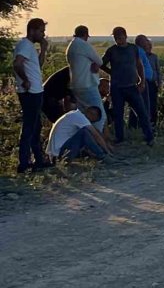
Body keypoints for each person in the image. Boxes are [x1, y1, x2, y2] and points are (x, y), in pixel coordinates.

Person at [101, 26, 153, 146]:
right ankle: (120, 139)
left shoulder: (133, 49)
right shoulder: (111, 50)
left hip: (131, 86)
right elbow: (101, 64)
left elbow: (139, 66)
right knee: (118, 114)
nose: (118, 40)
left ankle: (149, 137)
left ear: (125, 36)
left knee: (142, 112)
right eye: (115, 38)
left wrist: (142, 81)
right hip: (117, 87)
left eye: (120, 37)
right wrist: (111, 72)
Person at [12, 18, 52, 173]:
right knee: (29, 127)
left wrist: (43, 49)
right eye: (41, 31)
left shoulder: (30, 47)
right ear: (32, 30)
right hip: (30, 93)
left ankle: (38, 160)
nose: (43, 34)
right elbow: (17, 64)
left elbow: (39, 66)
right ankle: (24, 163)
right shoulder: (24, 45)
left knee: (36, 126)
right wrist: (25, 80)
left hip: (36, 91)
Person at [66, 25, 106, 131]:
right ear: (85, 35)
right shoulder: (83, 45)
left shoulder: (71, 46)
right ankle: (98, 140)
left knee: (84, 115)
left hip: (76, 85)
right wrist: (95, 63)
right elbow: (100, 61)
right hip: (87, 84)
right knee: (99, 115)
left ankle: (84, 141)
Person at [45, 106, 114, 163]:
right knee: (84, 133)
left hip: (55, 153)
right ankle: (102, 156)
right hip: (59, 153)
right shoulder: (80, 118)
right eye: (92, 121)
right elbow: (96, 135)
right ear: (92, 115)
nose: (90, 123)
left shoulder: (74, 115)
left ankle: (96, 155)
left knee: (85, 136)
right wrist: (107, 151)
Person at [128, 35, 154, 131]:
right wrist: (141, 81)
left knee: (138, 105)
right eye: (146, 40)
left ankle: (135, 127)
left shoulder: (141, 51)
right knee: (142, 106)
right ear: (141, 42)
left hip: (144, 80)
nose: (147, 42)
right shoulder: (138, 51)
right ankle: (142, 129)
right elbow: (138, 66)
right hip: (142, 81)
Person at [144, 38, 162, 126]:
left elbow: (158, 71)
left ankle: (153, 124)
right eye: (147, 46)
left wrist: (159, 84)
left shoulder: (154, 57)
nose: (149, 47)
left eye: (150, 46)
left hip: (152, 84)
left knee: (153, 105)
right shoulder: (140, 56)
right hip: (143, 83)